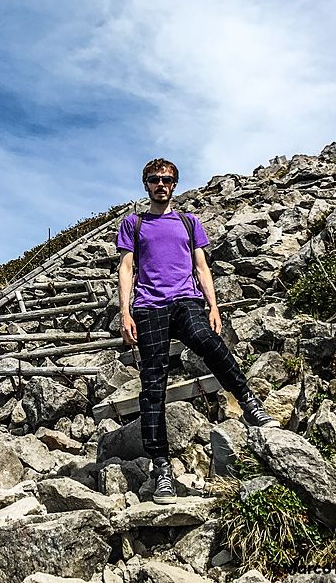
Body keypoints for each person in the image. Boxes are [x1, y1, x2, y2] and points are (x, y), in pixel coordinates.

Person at [117, 157, 279, 504]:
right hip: (148, 307)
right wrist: (124, 311)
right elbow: (127, 266)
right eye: (154, 179)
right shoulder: (134, 223)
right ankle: (161, 468)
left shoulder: (190, 223)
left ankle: (248, 401)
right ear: (145, 184)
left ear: (175, 184)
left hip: (186, 300)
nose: (161, 184)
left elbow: (202, 266)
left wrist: (214, 305)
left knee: (206, 339)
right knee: (153, 384)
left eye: (167, 179)